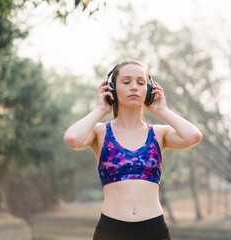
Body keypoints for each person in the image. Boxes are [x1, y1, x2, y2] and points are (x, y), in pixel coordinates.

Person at [63, 60, 203, 240]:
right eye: (126, 82)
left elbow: (194, 136)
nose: (134, 87)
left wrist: (162, 110)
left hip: (154, 230)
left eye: (141, 82)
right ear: (112, 89)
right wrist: (100, 109)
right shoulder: (100, 132)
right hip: (111, 230)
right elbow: (72, 139)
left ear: (149, 90)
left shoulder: (159, 133)